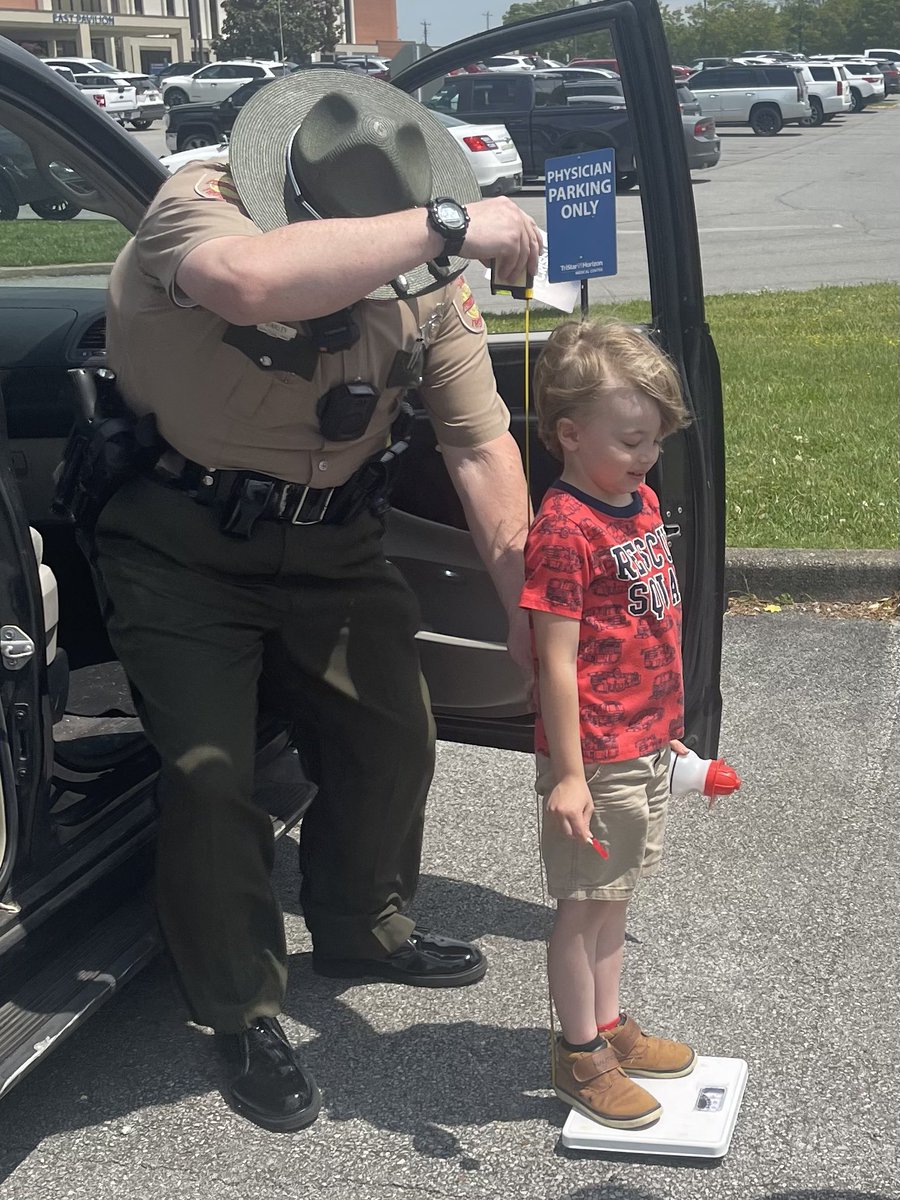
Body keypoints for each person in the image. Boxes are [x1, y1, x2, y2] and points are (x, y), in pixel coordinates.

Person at [93, 69, 541, 1132]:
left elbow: (481, 446)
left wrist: (531, 611)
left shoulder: (429, 277)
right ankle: (240, 1006)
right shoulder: (197, 206)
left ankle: (362, 920)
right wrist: (449, 222)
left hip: (334, 541)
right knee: (212, 778)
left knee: (395, 739)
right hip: (181, 541)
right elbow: (251, 283)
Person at [519, 321, 696, 1131]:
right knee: (584, 904)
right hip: (594, 755)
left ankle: (611, 1022)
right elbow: (554, 661)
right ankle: (578, 1052)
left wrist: (666, 730)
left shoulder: (639, 501)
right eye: (631, 440)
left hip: (643, 742)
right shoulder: (564, 529)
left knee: (616, 898)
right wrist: (568, 773)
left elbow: (647, 626)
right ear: (568, 433)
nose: (645, 456)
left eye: (653, 441)